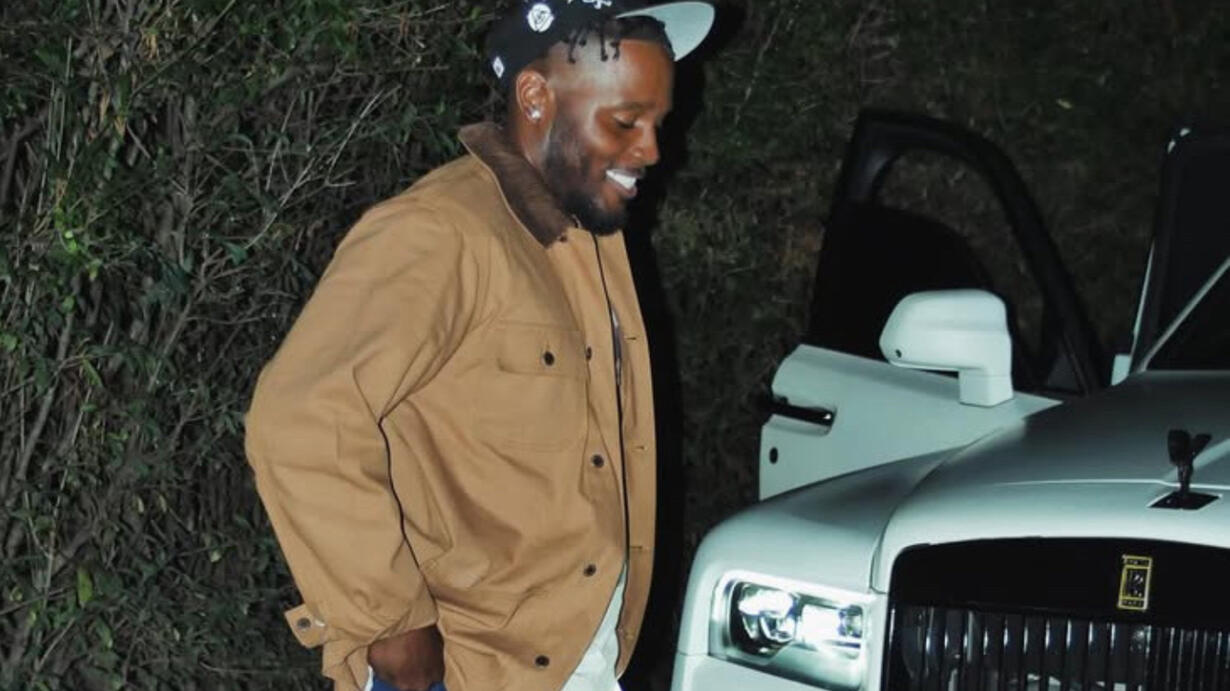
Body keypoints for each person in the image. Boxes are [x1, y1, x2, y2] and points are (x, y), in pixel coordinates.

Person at [243, 1, 714, 690]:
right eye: (624, 121)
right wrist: (391, 620)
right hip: (470, 667)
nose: (651, 151)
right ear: (536, 97)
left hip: (573, 661)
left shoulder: (589, 241)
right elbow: (300, 418)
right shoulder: (439, 233)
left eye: (656, 124)